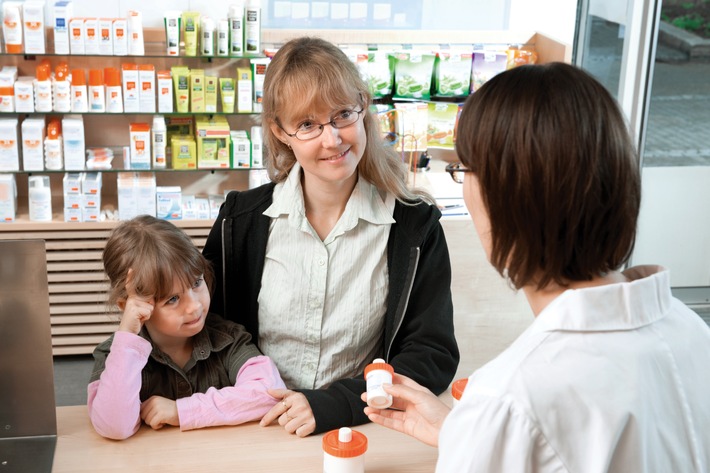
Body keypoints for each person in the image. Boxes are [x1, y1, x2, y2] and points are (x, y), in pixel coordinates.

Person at [364, 62, 710, 471]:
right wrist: (463, 433)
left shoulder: (509, 399)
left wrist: (480, 435)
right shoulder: (689, 328)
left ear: (504, 198)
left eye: (463, 169)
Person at [202, 36, 459, 437]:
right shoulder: (241, 220)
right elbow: (209, 331)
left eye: (342, 114)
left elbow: (431, 355)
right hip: (254, 426)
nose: (332, 139)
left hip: (362, 427)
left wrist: (336, 403)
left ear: (363, 107)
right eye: (307, 124)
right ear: (280, 131)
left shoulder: (414, 227)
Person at [88, 215, 286, 440]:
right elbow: (114, 426)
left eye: (196, 283)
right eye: (172, 299)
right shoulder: (115, 355)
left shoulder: (229, 339)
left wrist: (180, 411)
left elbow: (270, 394)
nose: (194, 306)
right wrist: (127, 340)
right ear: (130, 306)